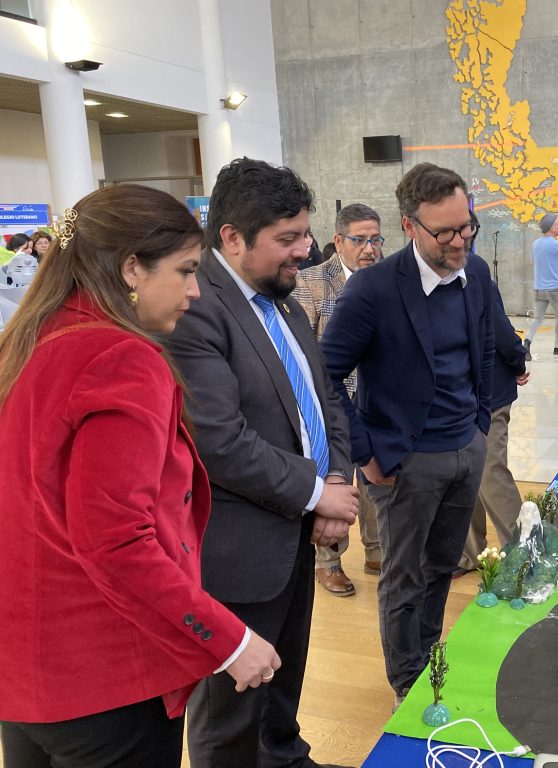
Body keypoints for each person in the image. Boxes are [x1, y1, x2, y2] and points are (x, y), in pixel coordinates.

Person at [0, 185, 280, 767]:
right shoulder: (121, 358)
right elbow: (117, 541)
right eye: (185, 271)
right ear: (132, 268)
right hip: (103, 674)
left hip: (22, 670)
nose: (195, 291)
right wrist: (229, 639)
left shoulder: (25, 343)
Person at [164, 158, 358, 768]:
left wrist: (335, 480)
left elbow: (326, 398)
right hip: (237, 548)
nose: (305, 250)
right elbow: (219, 440)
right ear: (232, 237)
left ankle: (286, 758)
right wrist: (315, 492)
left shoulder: (284, 301)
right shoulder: (195, 308)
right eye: (287, 238)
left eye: (306, 233)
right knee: (231, 713)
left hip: (294, 531)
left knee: (282, 682)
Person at [321, 162, 493, 708]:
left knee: (443, 568)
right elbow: (326, 376)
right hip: (403, 463)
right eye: (445, 232)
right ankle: (406, 685)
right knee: (403, 577)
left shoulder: (476, 272)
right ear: (409, 226)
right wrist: (366, 454)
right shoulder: (373, 290)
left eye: (466, 227)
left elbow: (485, 348)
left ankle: (426, 663)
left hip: (465, 450)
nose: (459, 241)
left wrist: (480, 426)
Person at [293, 202, 385, 595]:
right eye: (359, 240)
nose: (369, 249)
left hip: (377, 399)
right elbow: (305, 350)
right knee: (336, 479)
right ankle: (328, 562)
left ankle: (377, 550)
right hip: (332, 399)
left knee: (377, 477)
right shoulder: (311, 282)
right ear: (338, 240)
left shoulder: (387, 279)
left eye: (376, 240)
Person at [459, 281, 529, 572]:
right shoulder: (420, 278)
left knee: (490, 472)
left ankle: (524, 553)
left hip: (489, 394)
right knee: (463, 473)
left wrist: (518, 363)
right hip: (454, 396)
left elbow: (501, 330)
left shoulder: (473, 276)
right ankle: (469, 553)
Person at [524, 212, 558, 360]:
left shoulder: (535, 244)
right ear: (551, 228)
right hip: (555, 288)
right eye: (557, 224)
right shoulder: (557, 244)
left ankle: (527, 341)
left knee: (538, 318)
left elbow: (533, 263)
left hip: (539, 288)